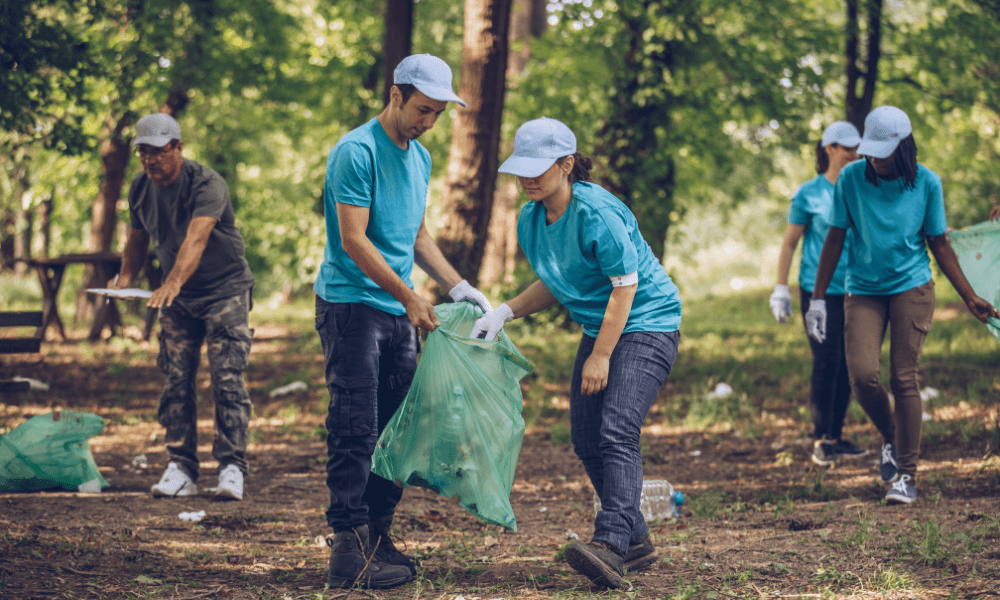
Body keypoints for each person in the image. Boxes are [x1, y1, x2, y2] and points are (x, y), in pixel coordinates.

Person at [471, 117, 682, 589]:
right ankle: (638, 540)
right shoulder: (531, 218)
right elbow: (556, 280)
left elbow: (625, 288)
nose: (528, 176)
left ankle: (610, 545)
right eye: (520, 167)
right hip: (602, 325)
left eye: (538, 167)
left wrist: (601, 355)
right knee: (586, 437)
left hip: (647, 321)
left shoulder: (597, 212)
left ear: (567, 165)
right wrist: (504, 312)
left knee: (618, 428)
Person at [316, 54, 493, 590]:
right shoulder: (356, 151)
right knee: (355, 426)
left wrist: (459, 287)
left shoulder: (419, 158)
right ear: (396, 95)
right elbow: (353, 240)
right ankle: (347, 550)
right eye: (422, 109)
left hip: (397, 309)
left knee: (398, 432)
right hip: (352, 306)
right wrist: (410, 296)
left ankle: (377, 534)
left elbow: (415, 238)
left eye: (438, 113)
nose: (428, 122)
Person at [806, 106, 1000, 505]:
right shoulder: (851, 179)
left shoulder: (928, 182)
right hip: (862, 288)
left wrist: (969, 297)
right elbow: (835, 239)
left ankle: (906, 476)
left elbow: (939, 244)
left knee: (903, 377)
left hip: (912, 286)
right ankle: (893, 438)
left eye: (882, 152)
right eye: (870, 152)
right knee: (862, 375)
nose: (873, 160)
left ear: (903, 148)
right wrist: (818, 299)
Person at [113, 112, 255, 501]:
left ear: (178, 148)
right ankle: (181, 468)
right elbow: (137, 239)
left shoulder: (207, 183)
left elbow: (196, 238)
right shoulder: (140, 187)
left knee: (227, 378)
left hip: (224, 291)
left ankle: (231, 467)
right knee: (176, 380)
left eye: (159, 152)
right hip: (178, 299)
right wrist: (126, 278)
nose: (150, 160)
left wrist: (171, 282)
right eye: (144, 152)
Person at [770, 122, 869, 466]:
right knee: (826, 360)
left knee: (849, 364)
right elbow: (789, 243)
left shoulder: (859, 187)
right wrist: (780, 287)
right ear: (829, 148)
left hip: (856, 289)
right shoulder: (808, 194)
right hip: (818, 291)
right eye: (848, 148)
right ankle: (819, 439)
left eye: (858, 149)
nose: (855, 154)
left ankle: (836, 436)